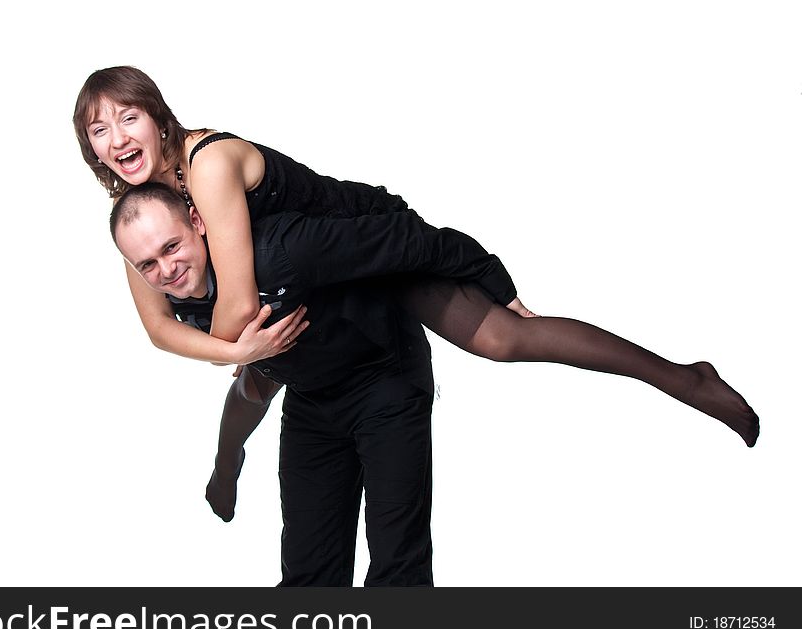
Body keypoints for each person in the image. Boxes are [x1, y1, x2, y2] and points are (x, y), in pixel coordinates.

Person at [73, 65, 760, 449]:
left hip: (371, 247)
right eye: (97, 130)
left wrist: (227, 345)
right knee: (265, 368)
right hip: (318, 291)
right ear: (91, 150)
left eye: (126, 117)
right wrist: (228, 353)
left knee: (502, 338)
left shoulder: (208, 164)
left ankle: (684, 377)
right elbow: (159, 326)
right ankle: (226, 463)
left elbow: (236, 309)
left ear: (157, 115)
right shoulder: (141, 212)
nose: (115, 137)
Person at [112, 183, 439, 585]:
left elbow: (401, 235)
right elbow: (237, 382)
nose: (166, 269)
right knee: (307, 573)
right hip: (311, 397)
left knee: (398, 569)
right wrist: (237, 361)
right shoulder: (174, 289)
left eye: (171, 248)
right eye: (146, 264)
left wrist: (485, 272)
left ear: (199, 223)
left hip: (383, 374)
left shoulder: (279, 249)